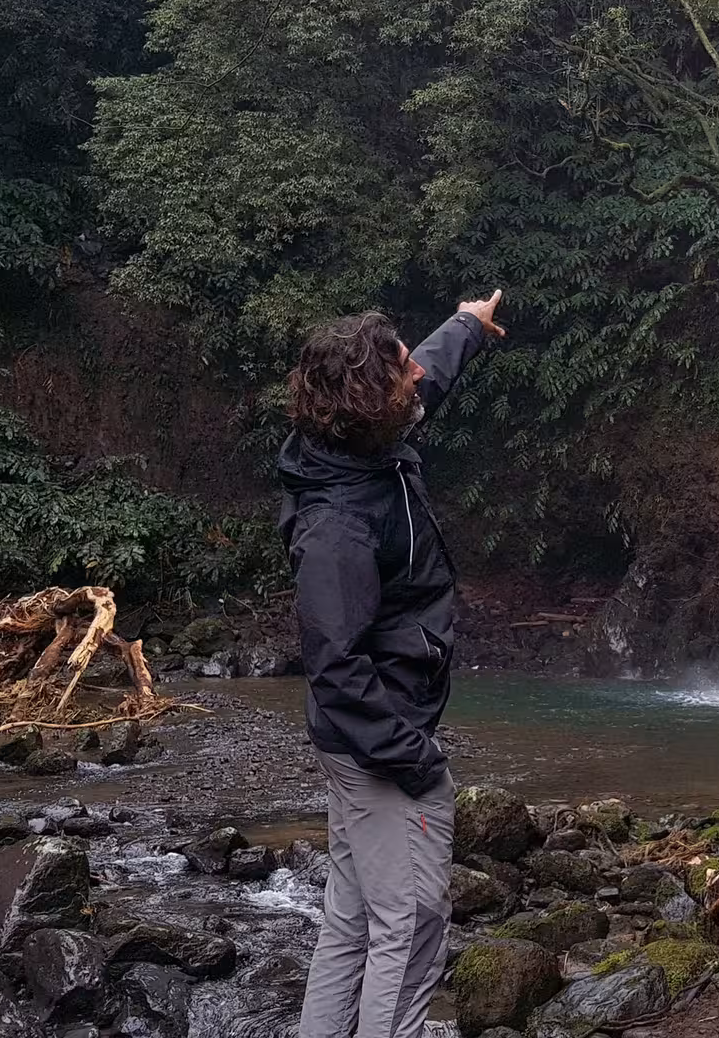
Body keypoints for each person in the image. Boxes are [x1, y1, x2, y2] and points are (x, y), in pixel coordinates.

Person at [278, 293, 506, 1037]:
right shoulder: (337, 525)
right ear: (372, 403)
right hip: (380, 745)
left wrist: (467, 326)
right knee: (408, 932)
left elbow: (428, 377)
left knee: (352, 920)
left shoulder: (369, 446)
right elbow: (336, 670)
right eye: (401, 368)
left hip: (363, 742)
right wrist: (420, 763)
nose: (417, 373)